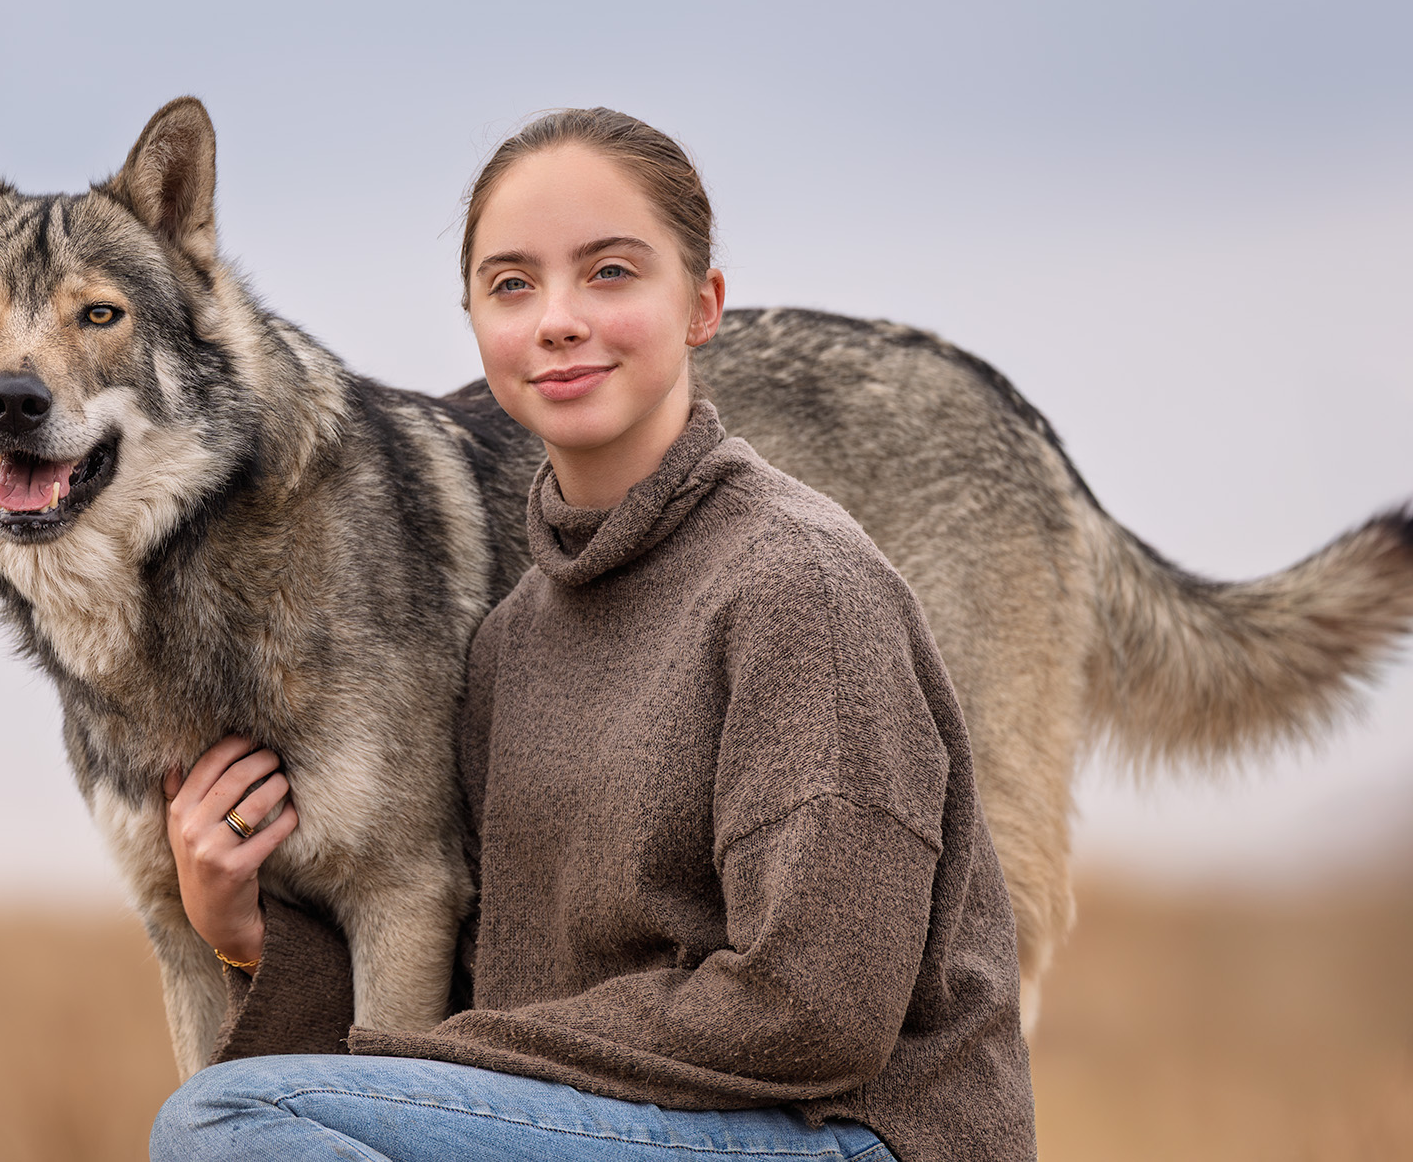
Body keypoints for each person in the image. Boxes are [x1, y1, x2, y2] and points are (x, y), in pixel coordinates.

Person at [150, 109, 1037, 1161]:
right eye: (512, 284)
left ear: (702, 305)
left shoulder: (801, 585)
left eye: (609, 273)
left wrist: (459, 1060)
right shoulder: (514, 637)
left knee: (230, 1120)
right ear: (475, 322)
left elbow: (818, 1006)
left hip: (844, 1136)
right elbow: (486, 1006)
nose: (557, 319)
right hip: (633, 1126)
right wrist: (246, 934)